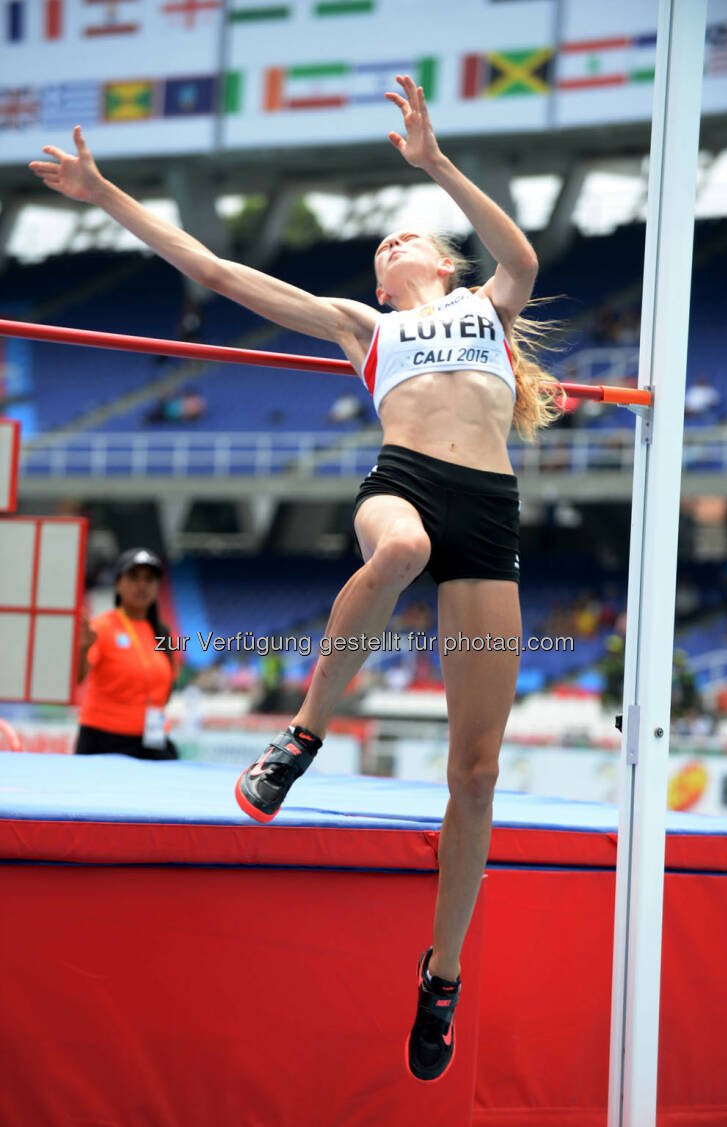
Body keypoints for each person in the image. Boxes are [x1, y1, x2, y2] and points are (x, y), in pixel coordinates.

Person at [31, 74, 563, 1084]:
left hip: (490, 517)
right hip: (400, 487)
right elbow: (218, 269)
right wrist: (107, 198)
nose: (387, 247)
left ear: (443, 258)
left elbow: (525, 256)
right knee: (397, 549)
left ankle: (440, 974)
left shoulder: (487, 305)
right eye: (380, 246)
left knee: (477, 772)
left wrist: (436, 162)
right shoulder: (363, 328)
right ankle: (302, 734)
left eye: (402, 237)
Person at [75, 548, 178, 760]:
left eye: (149, 579)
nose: (142, 585)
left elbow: (166, 690)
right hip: (103, 740)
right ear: (118, 583)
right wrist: (82, 648)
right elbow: (77, 678)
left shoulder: (163, 633)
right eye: (133, 577)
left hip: (151, 740)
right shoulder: (101, 627)